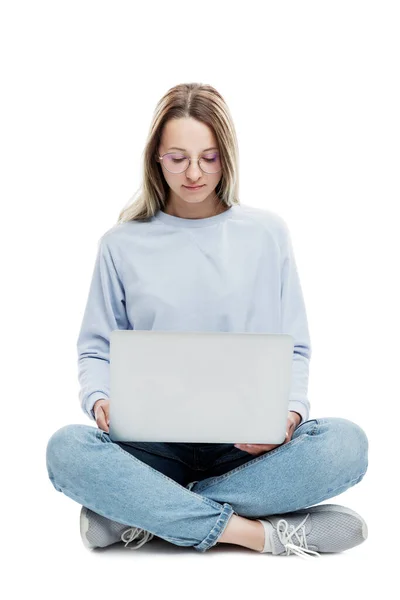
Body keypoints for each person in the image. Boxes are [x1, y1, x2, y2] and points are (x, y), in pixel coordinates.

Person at [45, 82, 369, 558]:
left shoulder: (266, 234)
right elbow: (96, 348)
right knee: (66, 450)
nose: (194, 172)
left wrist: (289, 416)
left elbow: (294, 345)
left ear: (228, 157)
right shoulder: (121, 244)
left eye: (210, 157)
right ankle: (258, 534)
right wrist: (100, 400)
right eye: (178, 158)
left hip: (245, 447)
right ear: (156, 157)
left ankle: (138, 515)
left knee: (346, 444)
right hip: (150, 447)